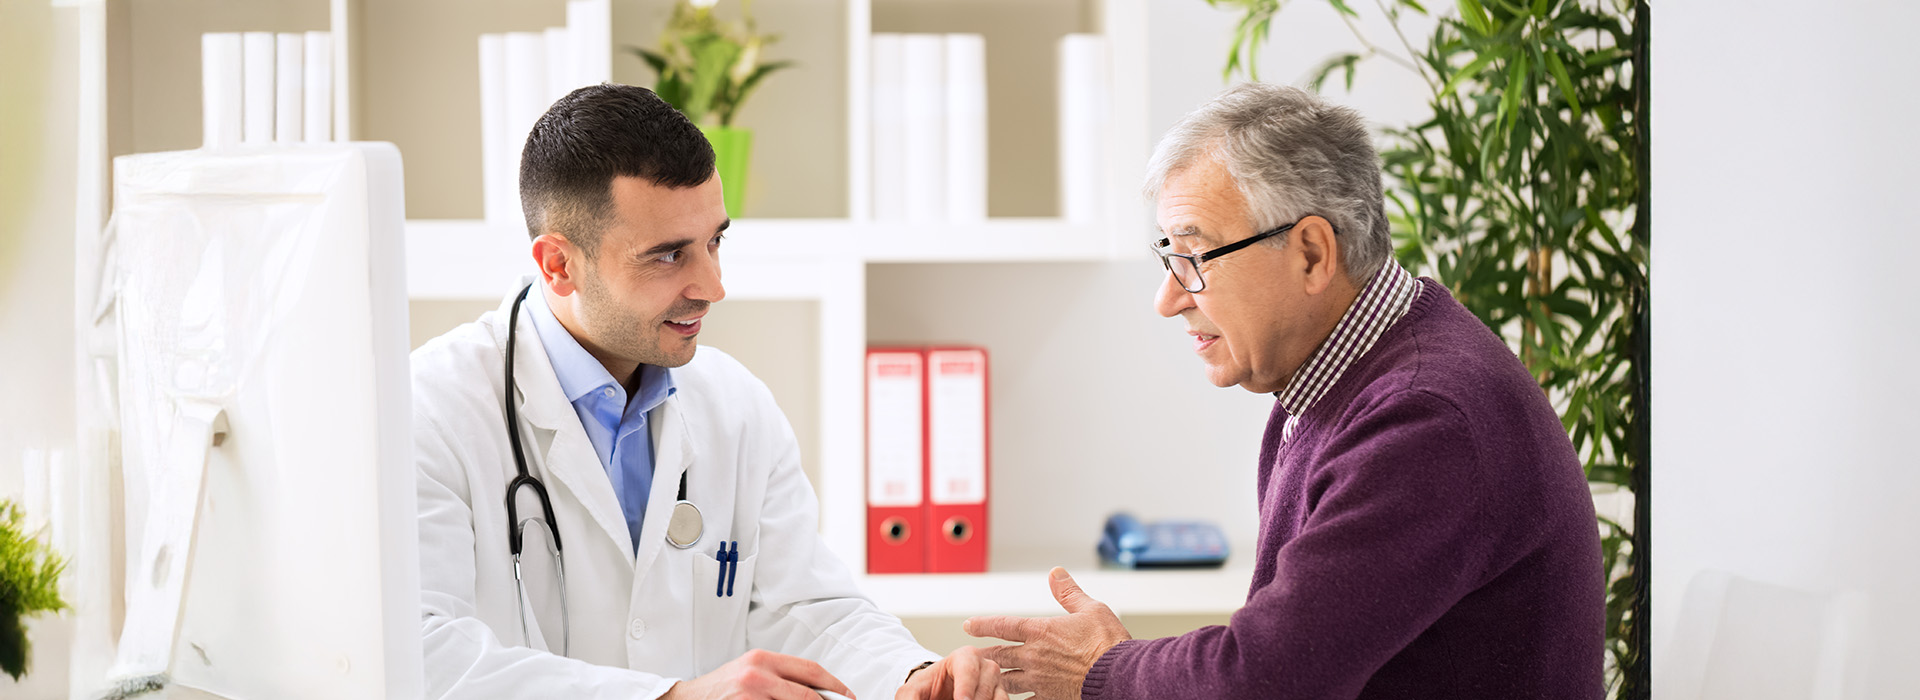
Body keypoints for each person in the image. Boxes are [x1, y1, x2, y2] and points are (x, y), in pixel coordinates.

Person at [963, 83, 1604, 698]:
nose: (1168, 300)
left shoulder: (1424, 419)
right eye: (1168, 257)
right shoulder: (1332, 384)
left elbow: (1263, 682)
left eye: (1195, 257)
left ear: (1311, 254)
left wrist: (1105, 669)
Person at [411, 84, 1003, 700]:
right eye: (668, 256)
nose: (712, 286)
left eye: (714, 242)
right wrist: (672, 697)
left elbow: (806, 609)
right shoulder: (433, 409)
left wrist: (911, 676)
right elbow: (424, 656)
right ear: (559, 264)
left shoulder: (735, 405)